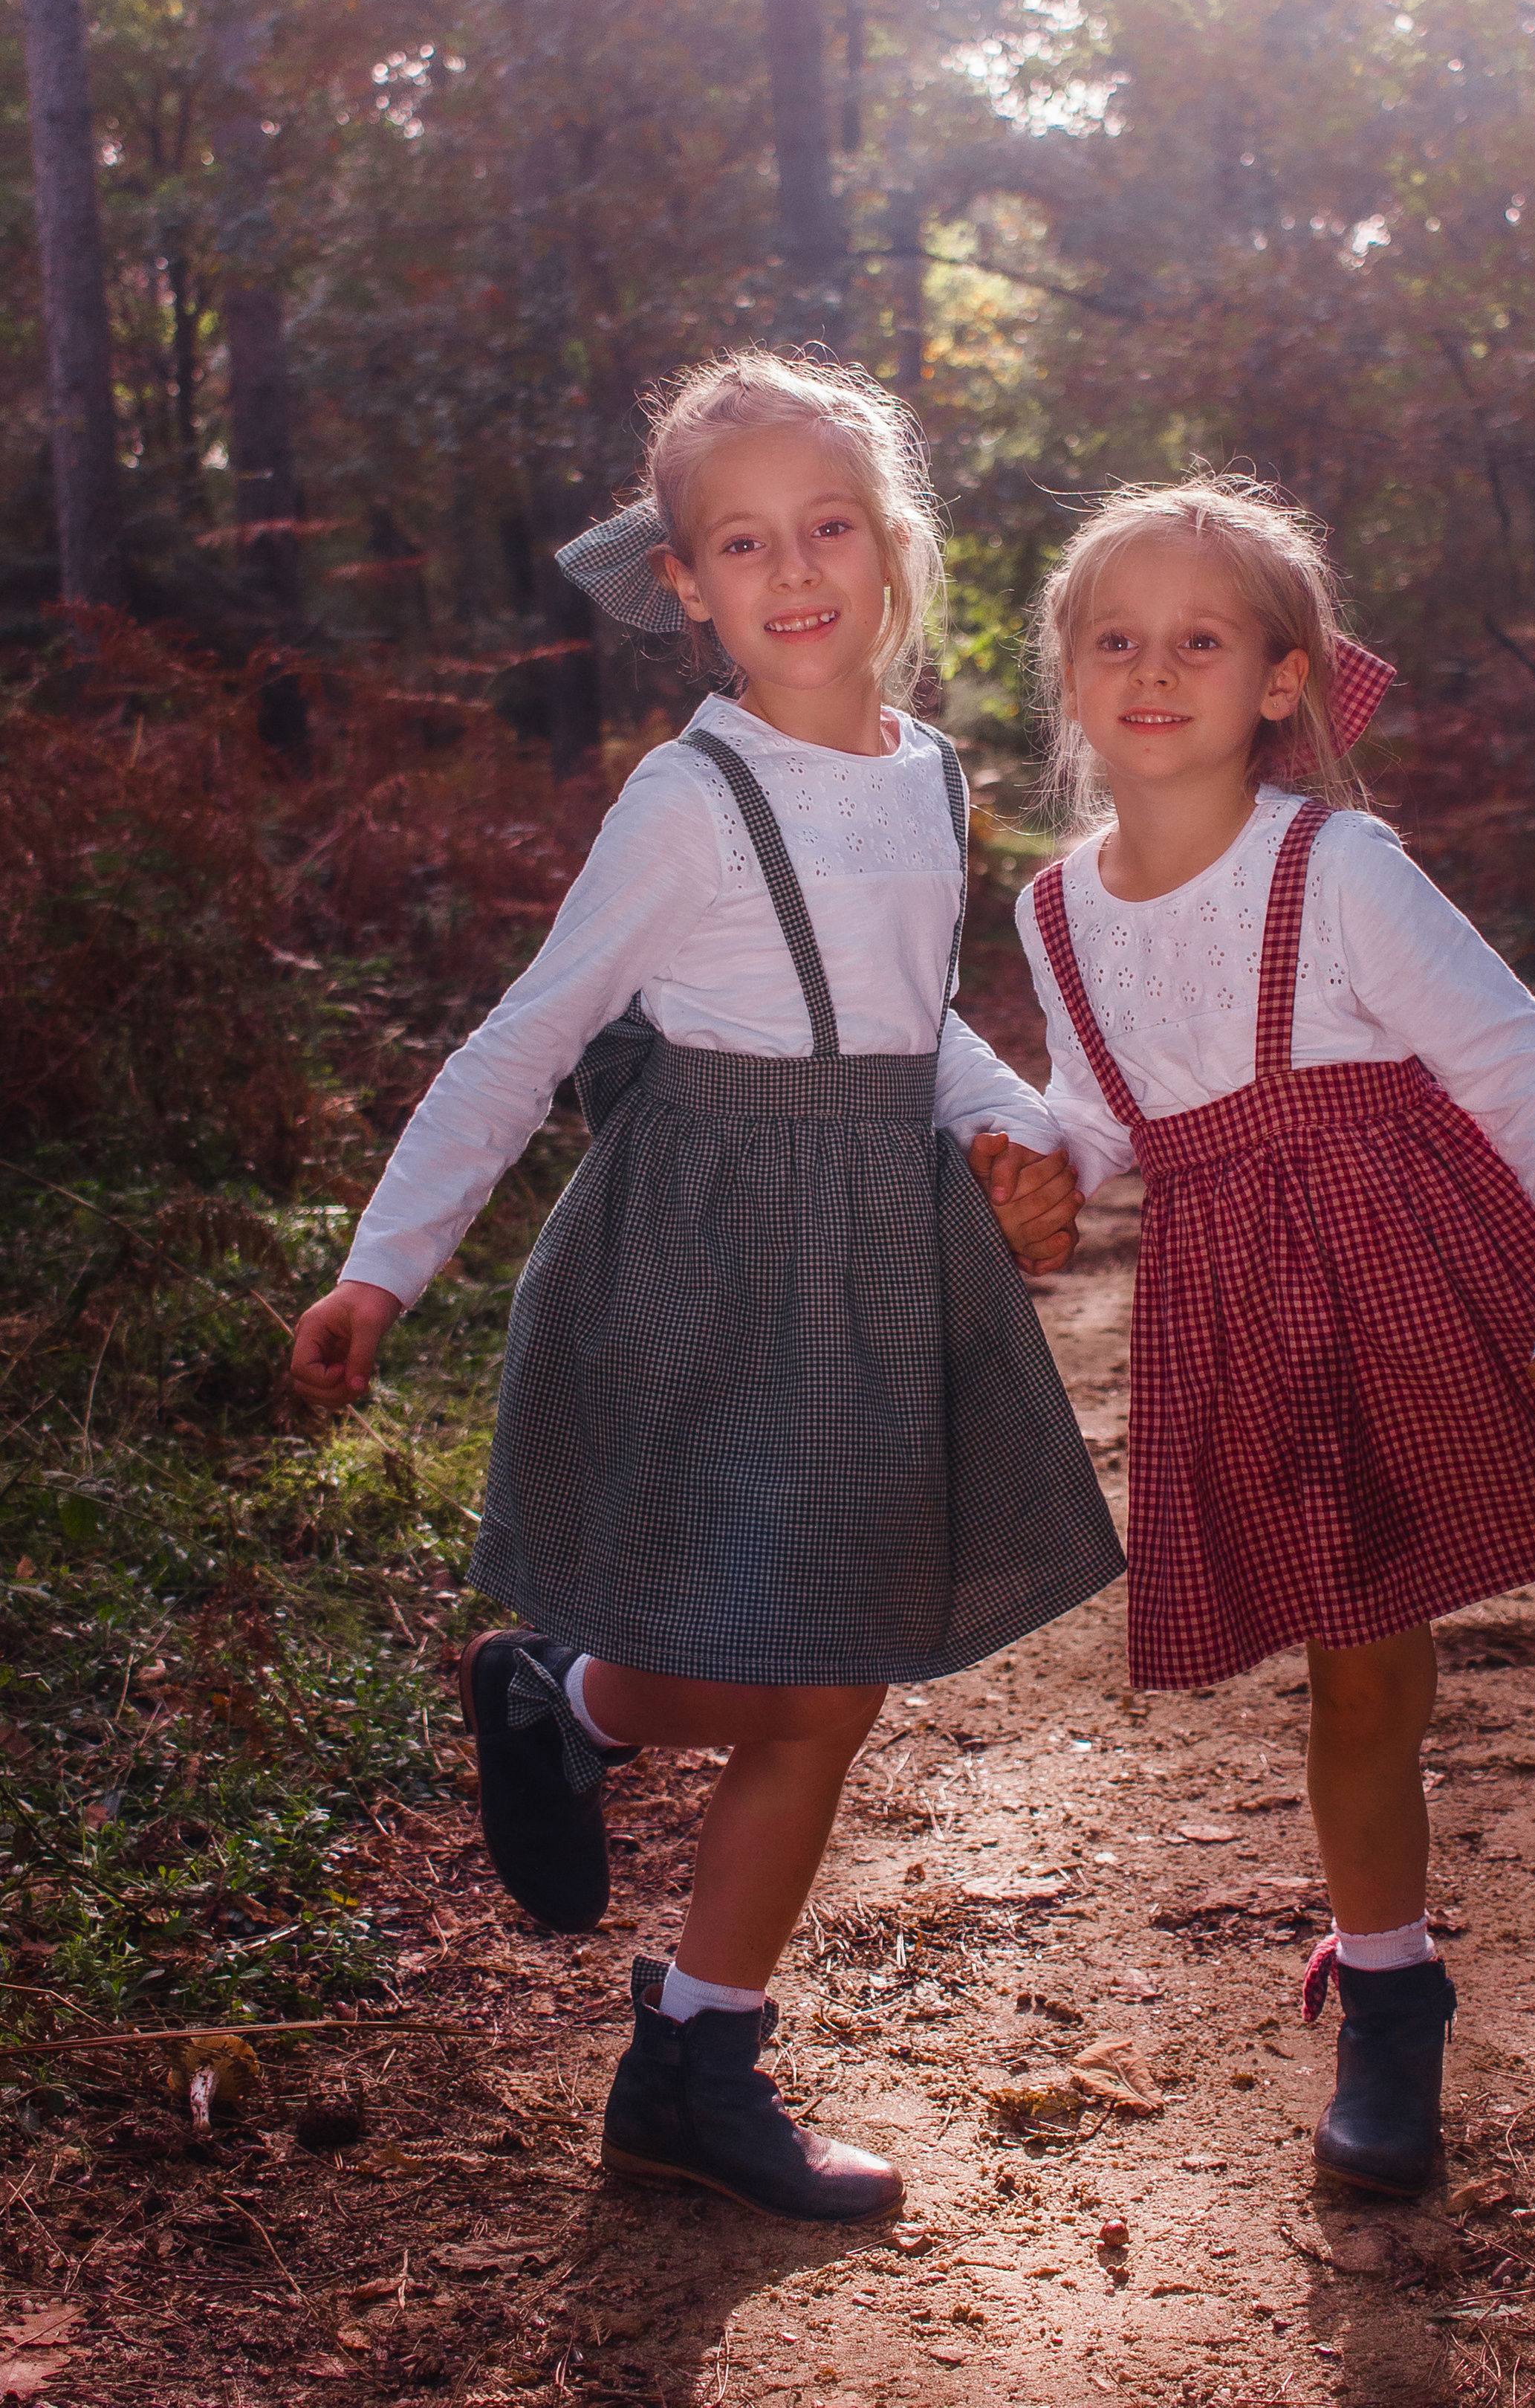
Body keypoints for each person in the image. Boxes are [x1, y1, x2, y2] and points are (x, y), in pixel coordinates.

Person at [290, 352, 1122, 2223]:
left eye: (828, 525)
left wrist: (1040, 1141)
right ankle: (687, 2050)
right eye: (742, 542)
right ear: (685, 583)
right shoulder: (688, 802)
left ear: (890, 541)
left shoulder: (925, 775)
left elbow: (914, 1038)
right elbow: (528, 1038)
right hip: (715, 1263)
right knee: (819, 1685)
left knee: (824, 1684)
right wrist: (382, 1265)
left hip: (867, 1271)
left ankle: (577, 1742)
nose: (794, 568)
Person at [1013, 479, 1535, 2200]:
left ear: (1280, 680)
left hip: (1452, 1241)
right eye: (1116, 640)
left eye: (1199, 641)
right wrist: (1037, 1164)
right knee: (1356, 1652)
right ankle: (1389, 1993)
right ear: (1066, 675)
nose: (1154, 671)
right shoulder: (1052, 912)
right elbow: (1104, 1109)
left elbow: (1523, 1074)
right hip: (1256, 1305)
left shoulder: (1338, 864)